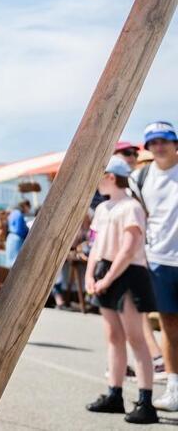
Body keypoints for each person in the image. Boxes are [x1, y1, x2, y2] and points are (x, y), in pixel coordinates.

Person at [84, 156, 158, 423]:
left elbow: (129, 249)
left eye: (100, 176)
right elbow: (94, 245)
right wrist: (91, 275)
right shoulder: (103, 209)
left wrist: (106, 279)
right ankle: (114, 394)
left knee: (136, 338)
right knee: (113, 336)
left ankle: (146, 400)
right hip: (106, 269)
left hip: (127, 273)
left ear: (112, 177)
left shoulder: (131, 208)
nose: (97, 182)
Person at [131, 121, 178, 411]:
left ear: (175, 143)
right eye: (153, 142)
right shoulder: (141, 177)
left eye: (165, 140)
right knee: (168, 325)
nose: (159, 146)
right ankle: (174, 388)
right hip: (159, 260)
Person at [5, 199, 31, 266]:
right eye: (29, 208)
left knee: (11, 262)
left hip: (10, 238)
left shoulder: (13, 213)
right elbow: (20, 229)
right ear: (25, 206)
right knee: (16, 263)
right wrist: (28, 232)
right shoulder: (18, 214)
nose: (29, 210)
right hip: (17, 239)